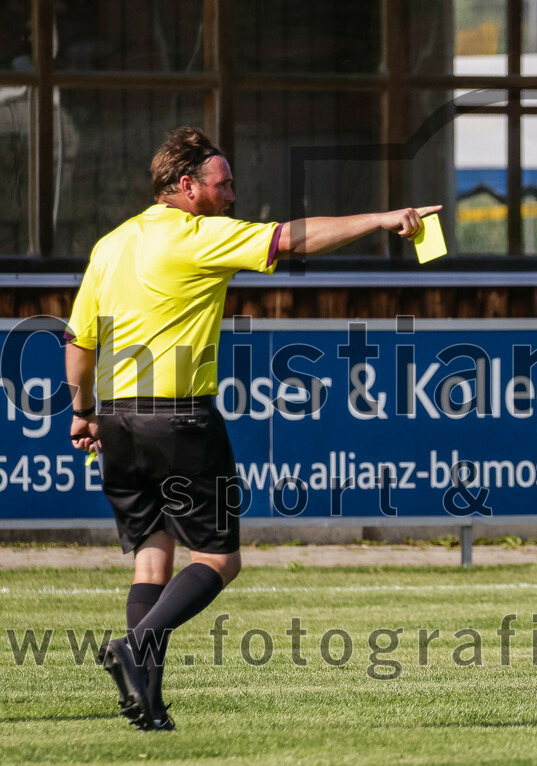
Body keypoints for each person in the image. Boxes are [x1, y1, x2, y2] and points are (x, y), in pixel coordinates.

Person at [64, 126, 441, 730]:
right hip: (179, 418)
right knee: (217, 560)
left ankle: (148, 705)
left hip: (116, 418)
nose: (232, 194)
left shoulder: (111, 244)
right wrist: (380, 219)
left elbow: (78, 343)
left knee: (152, 559)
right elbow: (295, 239)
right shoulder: (196, 235)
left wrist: (82, 411)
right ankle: (133, 649)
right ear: (186, 187)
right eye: (224, 183)